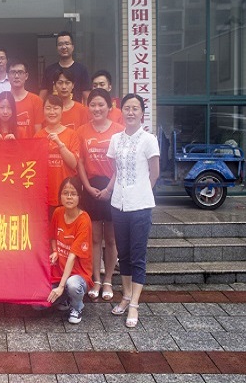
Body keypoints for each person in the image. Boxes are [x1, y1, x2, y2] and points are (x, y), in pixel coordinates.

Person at [107, 93, 160, 328]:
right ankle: (126, 295)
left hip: (140, 206)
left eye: (135, 108)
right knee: (124, 254)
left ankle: (135, 304)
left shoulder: (149, 140)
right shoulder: (115, 139)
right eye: (127, 108)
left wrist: (140, 193)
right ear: (122, 112)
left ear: (142, 113)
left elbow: (154, 173)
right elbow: (115, 169)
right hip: (118, 204)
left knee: (138, 255)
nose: (130, 112)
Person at [76, 88, 124, 301]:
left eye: (101, 104)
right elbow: (80, 162)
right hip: (91, 188)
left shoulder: (119, 131)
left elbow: (121, 163)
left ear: (109, 107)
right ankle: (96, 279)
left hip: (113, 186)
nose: (97, 108)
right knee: (94, 238)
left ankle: (108, 280)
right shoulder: (82, 131)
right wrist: (87, 187)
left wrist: (109, 189)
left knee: (111, 239)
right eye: (93, 105)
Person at [47, 176, 93, 324]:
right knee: (38, 305)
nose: (69, 197)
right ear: (60, 196)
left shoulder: (84, 220)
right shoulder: (58, 212)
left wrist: (61, 287)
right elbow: (53, 237)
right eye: (65, 193)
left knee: (72, 285)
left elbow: (72, 256)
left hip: (78, 275)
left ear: (79, 197)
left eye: (73, 193)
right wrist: (55, 251)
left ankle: (77, 307)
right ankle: (65, 298)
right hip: (59, 273)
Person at [34, 94, 80, 218]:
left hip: (66, 194)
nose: (52, 112)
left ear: (62, 110)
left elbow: (73, 163)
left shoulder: (72, 134)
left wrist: (60, 144)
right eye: (48, 108)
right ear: (43, 111)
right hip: (45, 195)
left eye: (55, 108)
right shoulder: (38, 136)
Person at [39, 31, 90, 104]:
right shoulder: (49, 70)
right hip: (54, 109)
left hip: (75, 110)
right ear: (57, 48)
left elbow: (86, 98)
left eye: (67, 44)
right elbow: (42, 97)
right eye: (60, 44)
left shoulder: (82, 70)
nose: (63, 47)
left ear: (72, 47)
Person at [8, 60, 43, 138]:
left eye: (20, 72)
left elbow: (38, 132)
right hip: (7, 144)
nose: (16, 76)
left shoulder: (36, 100)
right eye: (13, 72)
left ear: (26, 76)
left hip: (30, 145)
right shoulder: (2, 100)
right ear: (8, 76)